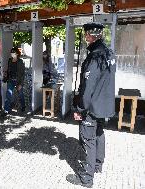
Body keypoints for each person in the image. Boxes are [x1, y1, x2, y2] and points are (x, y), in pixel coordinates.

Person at [66, 22, 116, 188]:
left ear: (89, 35)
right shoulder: (108, 53)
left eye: (85, 34)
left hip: (92, 107)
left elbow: (88, 87)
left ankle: (86, 178)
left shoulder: (94, 57)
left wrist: (80, 109)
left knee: (88, 139)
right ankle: (97, 165)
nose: (85, 36)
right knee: (99, 134)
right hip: (104, 106)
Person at [2, 47, 25, 116]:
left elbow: (23, 74)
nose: (12, 54)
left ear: (17, 54)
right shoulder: (9, 60)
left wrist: (21, 84)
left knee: (20, 94)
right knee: (8, 94)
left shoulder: (20, 61)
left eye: (13, 52)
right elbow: (9, 70)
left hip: (18, 81)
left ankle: (23, 106)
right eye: (11, 52)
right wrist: (6, 73)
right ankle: (6, 110)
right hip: (11, 80)